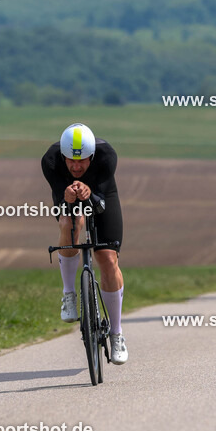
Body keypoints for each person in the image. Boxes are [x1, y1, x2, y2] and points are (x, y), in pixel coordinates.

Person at [41, 123, 127, 365]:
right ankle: (69, 294)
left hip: (102, 195)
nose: (76, 167)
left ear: (92, 156)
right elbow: (59, 203)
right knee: (69, 221)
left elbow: (100, 203)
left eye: (82, 162)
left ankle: (116, 333)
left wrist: (90, 193)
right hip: (69, 200)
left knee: (108, 259)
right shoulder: (50, 161)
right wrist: (67, 196)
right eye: (71, 161)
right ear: (62, 157)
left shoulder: (106, 157)